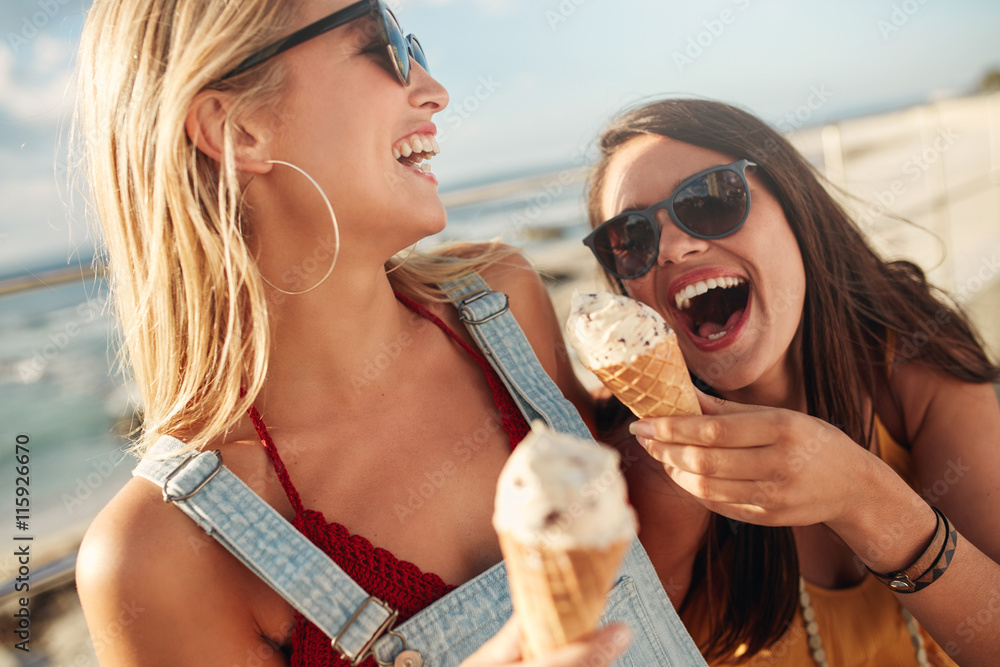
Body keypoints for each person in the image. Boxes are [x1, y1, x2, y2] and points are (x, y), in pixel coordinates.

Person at [72, 1, 702, 665]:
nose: (434, 90)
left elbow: (651, 582)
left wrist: (699, 450)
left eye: (416, 47)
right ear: (239, 128)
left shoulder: (505, 300)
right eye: (383, 44)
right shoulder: (159, 554)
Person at [582, 98, 1000, 666]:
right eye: (630, 237)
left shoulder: (911, 359)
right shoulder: (645, 462)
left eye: (708, 200)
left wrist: (862, 494)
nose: (676, 247)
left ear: (794, 204)